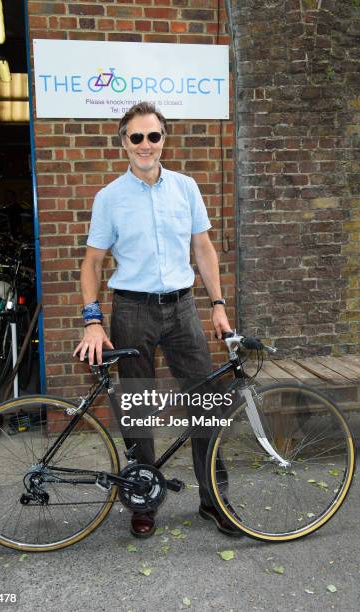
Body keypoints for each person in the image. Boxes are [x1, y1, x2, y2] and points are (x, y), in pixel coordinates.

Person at [74, 102, 241, 539]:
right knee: (137, 408)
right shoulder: (109, 197)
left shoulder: (186, 188)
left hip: (183, 308)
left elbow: (203, 249)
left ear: (164, 140)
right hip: (131, 309)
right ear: (123, 143)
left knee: (207, 405)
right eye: (136, 137)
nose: (145, 145)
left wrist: (218, 304)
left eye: (154, 136)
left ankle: (214, 500)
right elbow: (92, 263)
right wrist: (93, 320)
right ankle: (142, 498)